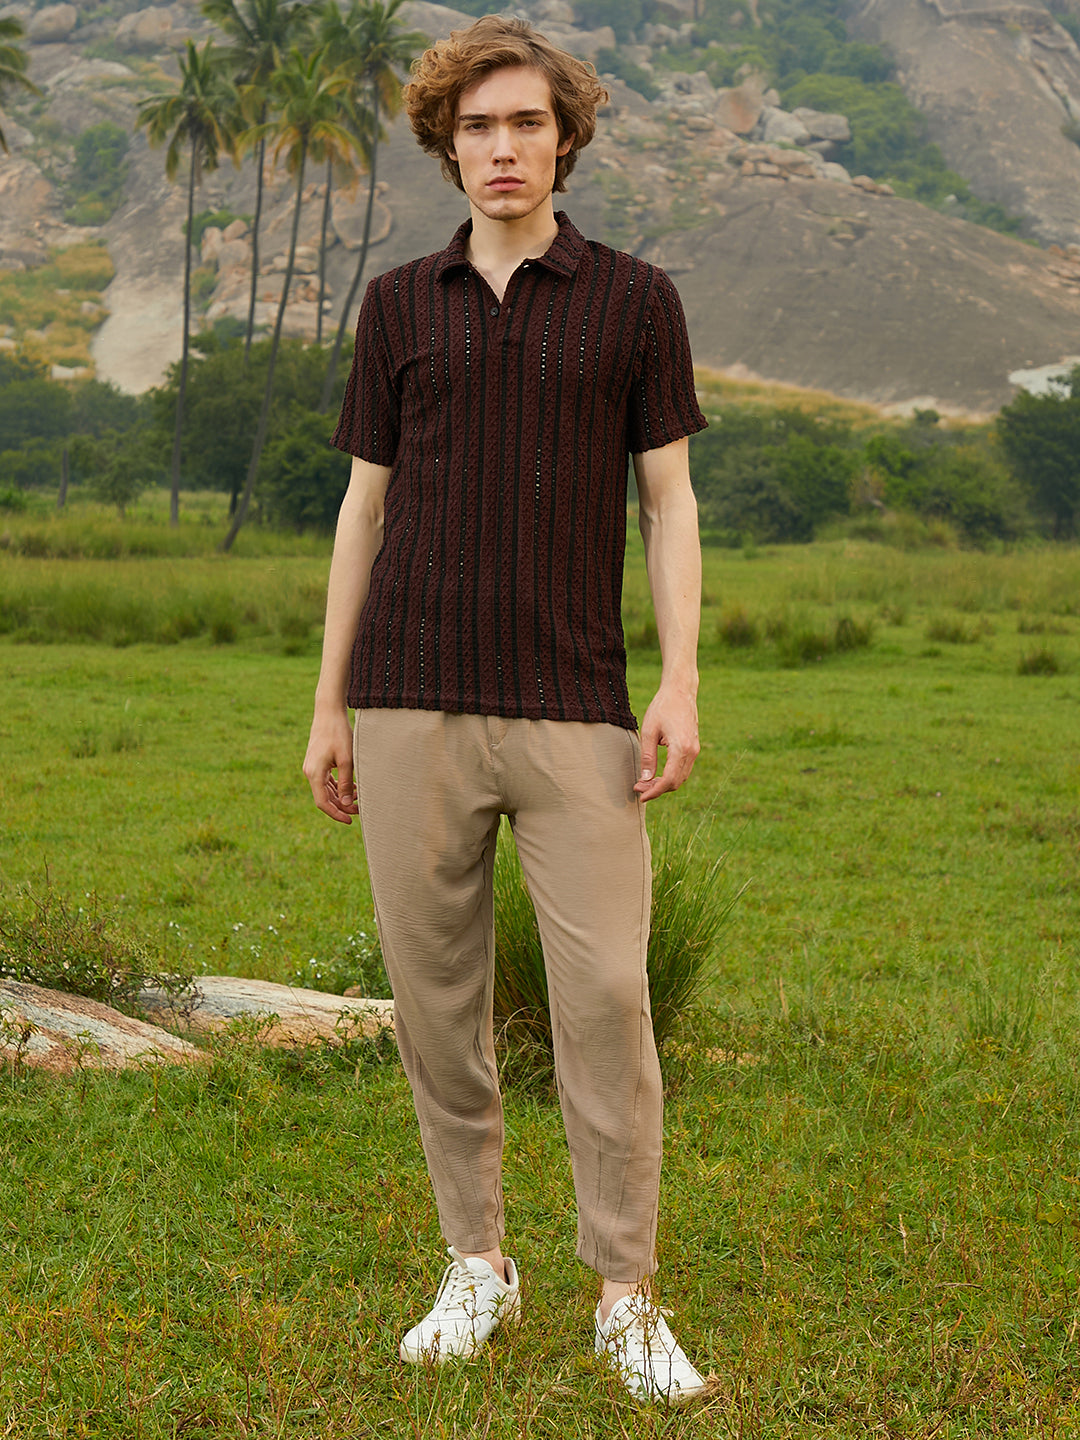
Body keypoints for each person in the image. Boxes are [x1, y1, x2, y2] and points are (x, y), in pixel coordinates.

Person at [302, 14, 708, 1405]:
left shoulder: (635, 300)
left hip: (574, 701)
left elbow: (668, 504)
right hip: (407, 695)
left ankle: (626, 1293)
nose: (502, 148)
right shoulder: (397, 305)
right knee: (435, 1001)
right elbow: (362, 512)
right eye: (477, 127)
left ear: (565, 137)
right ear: (447, 145)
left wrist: (679, 679)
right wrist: (331, 705)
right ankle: (476, 1262)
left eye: (527, 122)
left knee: (607, 995)